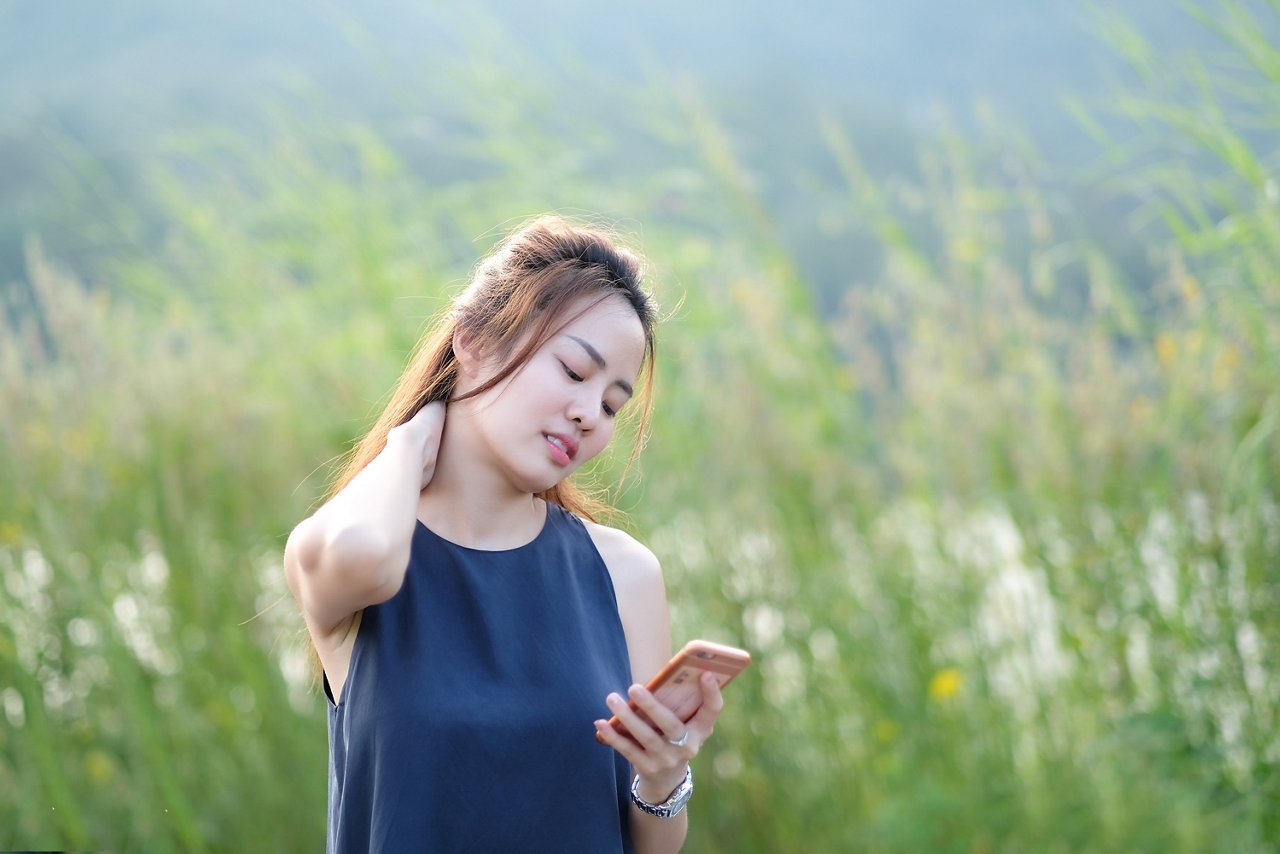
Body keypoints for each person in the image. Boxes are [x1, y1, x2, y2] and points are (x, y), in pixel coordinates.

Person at [284, 216, 726, 853]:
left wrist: (663, 776)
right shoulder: (356, 550)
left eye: (611, 404)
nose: (588, 415)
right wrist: (409, 446)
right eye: (575, 372)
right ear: (474, 341)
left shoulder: (623, 574)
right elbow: (370, 558)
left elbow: (651, 848)